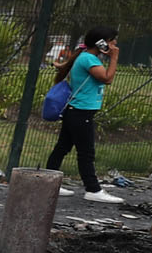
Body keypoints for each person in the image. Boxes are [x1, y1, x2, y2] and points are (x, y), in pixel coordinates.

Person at [46, 26, 122, 203]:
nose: (115, 44)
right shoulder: (89, 59)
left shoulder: (87, 57)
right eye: (112, 41)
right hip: (80, 112)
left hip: (75, 111)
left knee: (62, 148)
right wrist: (115, 57)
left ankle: (49, 182)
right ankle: (93, 189)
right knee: (86, 153)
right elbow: (107, 78)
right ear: (101, 43)